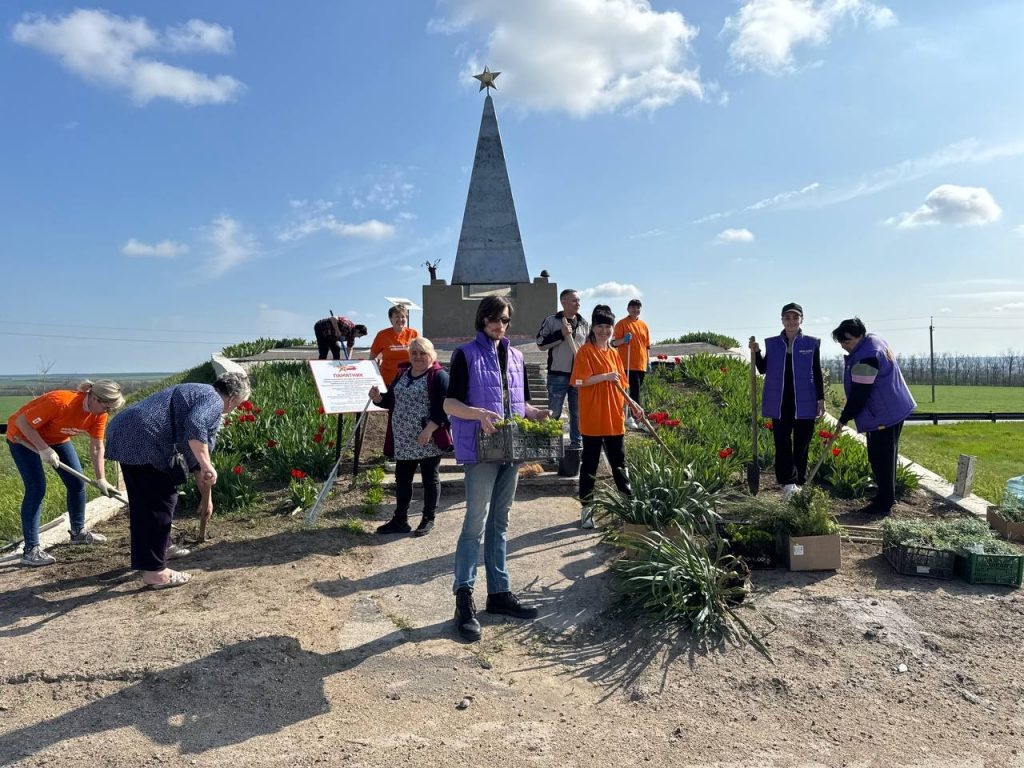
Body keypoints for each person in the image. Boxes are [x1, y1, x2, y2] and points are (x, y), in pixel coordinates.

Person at [444, 296, 551, 641]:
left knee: (500, 523)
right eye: (493, 318)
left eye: (504, 320)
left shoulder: (517, 356)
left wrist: (533, 414)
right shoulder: (465, 355)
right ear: (482, 319)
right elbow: (449, 403)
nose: (499, 325)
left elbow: (519, 401)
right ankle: (464, 599)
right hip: (481, 450)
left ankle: (499, 594)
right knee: (474, 523)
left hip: (512, 449)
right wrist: (478, 414)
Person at [104, 372, 251, 588]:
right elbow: (195, 428)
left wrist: (206, 497)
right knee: (161, 501)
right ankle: (155, 573)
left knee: (144, 503)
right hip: (143, 437)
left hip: (127, 430)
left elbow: (196, 452)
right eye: (238, 404)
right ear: (231, 399)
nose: (233, 409)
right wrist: (207, 465)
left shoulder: (199, 393)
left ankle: (158, 551)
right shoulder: (213, 399)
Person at [6, 380, 125, 566]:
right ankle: (31, 550)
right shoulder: (61, 402)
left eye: (110, 409)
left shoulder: (99, 414)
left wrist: (101, 479)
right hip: (22, 436)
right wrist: (43, 449)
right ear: (94, 397)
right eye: (106, 406)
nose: (106, 412)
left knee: (77, 483)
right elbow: (22, 422)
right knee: (37, 488)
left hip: (57, 438)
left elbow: (96, 447)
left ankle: (78, 533)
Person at [832, 318, 916, 515]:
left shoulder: (866, 357)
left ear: (860, 335)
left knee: (881, 458)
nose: (844, 346)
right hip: (893, 406)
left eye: (848, 340)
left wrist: (844, 418)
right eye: (842, 342)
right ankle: (885, 496)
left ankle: (884, 504)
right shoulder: (872, 341)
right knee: (883, 456)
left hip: (884, 413)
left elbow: (860, 394)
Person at [369, 337, 450, 537]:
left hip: (427, 438)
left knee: (430, 478)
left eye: (422, 353)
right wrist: (378, 398)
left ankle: (428, 518)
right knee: (402, 479)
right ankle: (400, 520)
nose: (418, 357)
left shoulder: (439, 376)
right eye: (414, 353)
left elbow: (446, 408)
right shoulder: (402, 374)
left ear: (432, 355)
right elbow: (391, 400)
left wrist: (429, 429)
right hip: (403, 439)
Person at [572, 306, 643, 529]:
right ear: (593, 328)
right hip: (593, 419)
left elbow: (622, 386)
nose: (604, 331)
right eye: (600, 326)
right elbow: (578, 382)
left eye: (608, 327)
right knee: (590, 465)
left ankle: (629, 507)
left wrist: (633, 404)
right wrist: (604, 377)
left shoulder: (614, 353)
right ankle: (587, 509)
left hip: (614, 419)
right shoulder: (585, 352)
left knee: (619, 464)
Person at [749, 302, 825, 499]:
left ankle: (799, 481)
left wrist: (821, 398)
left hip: (805, 400)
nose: (791, 321)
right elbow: (763, 369)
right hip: (780, 400)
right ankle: (787, 483)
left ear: (801, 319)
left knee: (802, 442)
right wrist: (756, 352)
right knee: (782, 442)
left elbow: (816, 372)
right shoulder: (772, 343)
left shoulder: (812, 343)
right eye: (787, 318)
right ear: (782, 320)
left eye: (795, 317)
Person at [535, 288, 588, 451]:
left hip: (578, 375)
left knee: (577, 413)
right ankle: (552, 447)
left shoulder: (584, 324)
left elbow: (587, 348)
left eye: (578, 300)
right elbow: (540, 343)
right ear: (563, 302)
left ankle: (576, 444)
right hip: (558, 375)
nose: (577, 303)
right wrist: (560, 334)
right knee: (555, 413)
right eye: (574, 300)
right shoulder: (552, 321)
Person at [612, 299, 651, 429]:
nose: (636, 310)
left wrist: (648, 362)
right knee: (632, 392)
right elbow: (613, 343)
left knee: (636, 391)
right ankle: (635, 418)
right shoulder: (622, 324)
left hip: (641, 364)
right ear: (628, 309)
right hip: (627, 364)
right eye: (633, 308)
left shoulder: (643, 325)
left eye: (638, 308)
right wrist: (623, 340)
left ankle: (631, 415)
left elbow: (647, 346)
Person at [370, 305, 420, 386]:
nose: (400, 319)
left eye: (403, 316)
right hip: (388, 380)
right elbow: (372, 358)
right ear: (390, 319)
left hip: (409, 380)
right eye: (397, 316)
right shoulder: (382, 335)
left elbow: (423, 353)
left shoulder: (414, 333)